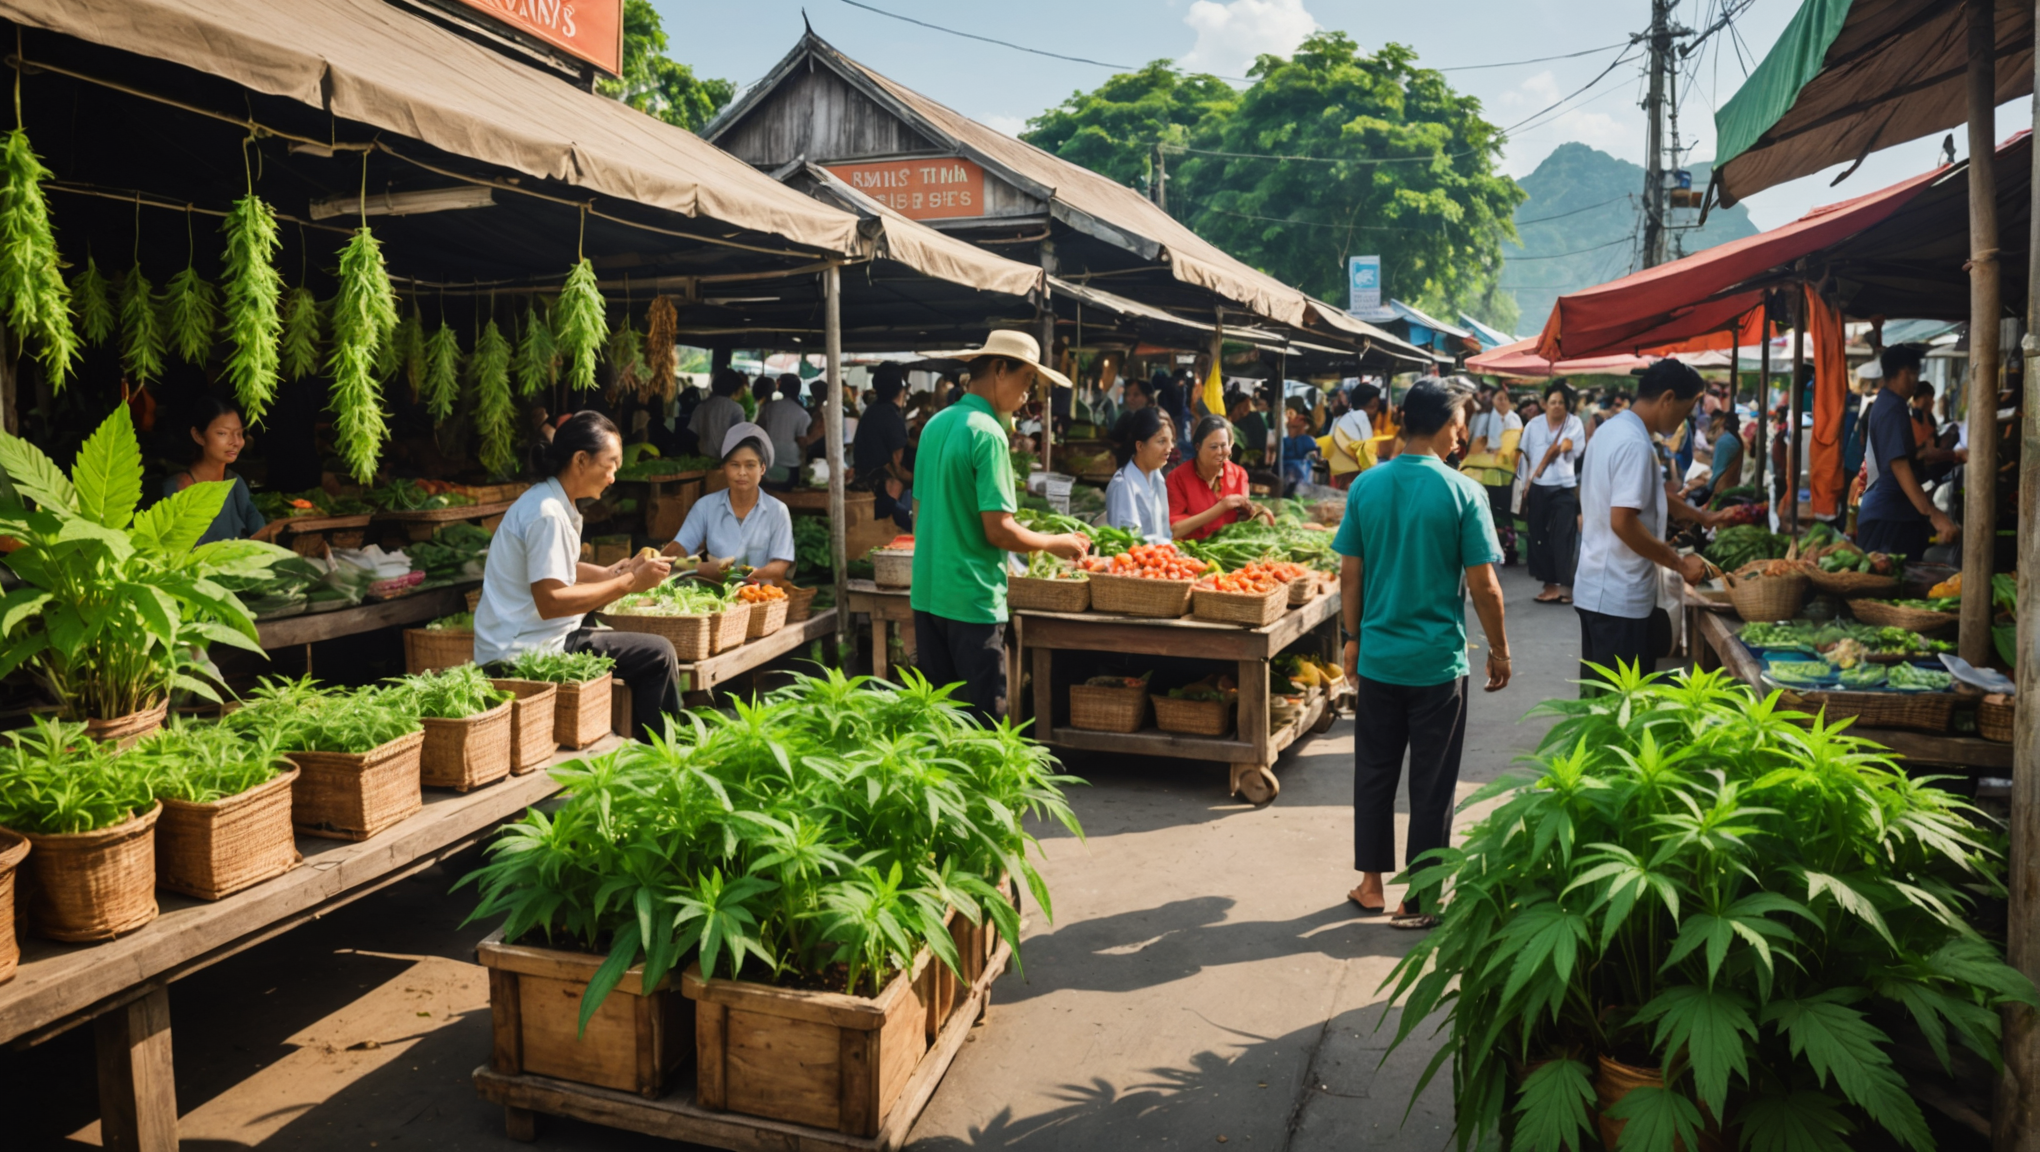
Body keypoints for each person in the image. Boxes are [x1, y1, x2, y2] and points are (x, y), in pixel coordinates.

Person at [1335, 377, 1509, 929]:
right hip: (1436, 665)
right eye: (1460, 425)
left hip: (1380, 658)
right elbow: (1485, 587)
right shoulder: (1464, 492)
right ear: (1442, 426)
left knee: (1374, 772)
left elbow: (1350, 574)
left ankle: (1370, 885)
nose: (1463, 436)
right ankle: (1420, 898)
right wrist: (1500, 651)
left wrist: (1352, 639)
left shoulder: (1366, 486)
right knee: (1433, 781)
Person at [910, 331, 1091, 722]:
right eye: (1026, 380)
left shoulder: (934, 425)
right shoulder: (988, 433)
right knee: (983, 726)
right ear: (999, 370)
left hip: (927, 592)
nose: (1028, 395)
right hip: (971, 600)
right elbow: (999, 530)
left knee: (939, 722)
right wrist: (1052, 542)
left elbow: (919, 511)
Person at [474, 412, 680, 742]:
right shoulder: (547, 514)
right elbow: (551, 601)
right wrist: (629, 583)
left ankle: (629, 740)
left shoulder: (551, 502)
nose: (613, 477)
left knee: (621, 638)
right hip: (525, 651)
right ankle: (660, 757)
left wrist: (613, 572)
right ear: (581, 460)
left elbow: (554, 567)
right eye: (610, 464)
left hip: (530, 638)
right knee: (659, 654)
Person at [1573, 360, 1722, 690]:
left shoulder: (1613, 430)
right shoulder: (1635, 444)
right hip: (1617, 595)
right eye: (1685, 411)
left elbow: (1640, 496)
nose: (1684, 421)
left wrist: (1702, 517)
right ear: (1668, 398)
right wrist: (1680, 564)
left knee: (1603, 702)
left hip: (1599, 588)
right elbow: (1623, 522)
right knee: (1619, 708)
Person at [663, 423, 797, 585]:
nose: (742, 472)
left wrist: (745, 575)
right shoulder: (705, 506)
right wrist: (659, 559)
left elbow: (780, 566)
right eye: (734, 465)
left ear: (762, 469)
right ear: (723, 468)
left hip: (759, 597)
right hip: (713, 595)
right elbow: (681, 547)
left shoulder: (778, 510)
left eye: (750, 465)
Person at [1858, 344, 1959, 557]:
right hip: (1887, 517)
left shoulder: (1891, 404)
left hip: (1892, 513)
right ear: (1900, 373)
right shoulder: (1892, 408)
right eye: (1912, 373)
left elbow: (1908, 458)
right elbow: (1898, 464)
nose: (1915, 380)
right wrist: (1931, 513)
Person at [163, 395, 275, 546]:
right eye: (222, 433)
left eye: (239, 433)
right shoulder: (176, 487)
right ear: (198, 436)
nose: (235, 442)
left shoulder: (235, 482)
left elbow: (256, 524)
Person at [1520, 382, 1585, 604]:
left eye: (1561, 403)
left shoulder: (1574, 423)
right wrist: (1523, 484)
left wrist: (1562, 446)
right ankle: (1549, 585)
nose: (1556, 406)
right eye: (1552, 402)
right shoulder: (1533, 426)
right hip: (1538, 486)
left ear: (1567, 406)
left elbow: (1571, 447)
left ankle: (1566, 586)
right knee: (1539, 536)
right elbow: (1523, 457)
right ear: (1544, 404)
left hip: (1564, 487)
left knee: (1563, 537)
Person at [1168, 415, 1277, 540]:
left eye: (1224, 445)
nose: (1220, 452)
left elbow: (1242, 519)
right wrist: (1222, 507)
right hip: (1190, 552)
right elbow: (1175, 530)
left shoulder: (1239, 474)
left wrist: (1257, 512)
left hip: (1227, 549)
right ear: (1198, 447)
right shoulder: (1177, 478)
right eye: (1214, 447)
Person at [1464, 384, 1522, 565]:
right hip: (1489, 471)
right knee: (1493, 509)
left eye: (1505, 398)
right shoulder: (1486, 418)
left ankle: (1510, 548)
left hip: (1508, 470)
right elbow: (1478, 441)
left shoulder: (1515, 419)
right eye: (1499, 398)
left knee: (1507, 511)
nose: (1502, 402)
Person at [1103, 406, 1175, 545]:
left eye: (1171, 440)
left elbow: (1164, 532)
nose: (1170, 447)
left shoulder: (1157, 477)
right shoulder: (1123, 484)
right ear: (1140, 446)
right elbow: (1127, 541)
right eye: (1162, 441)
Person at [853, 363, 913, 530]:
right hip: (884, 496)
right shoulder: (891, 417)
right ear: (902, 390)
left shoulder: (872, 411)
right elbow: (898, 465)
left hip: (866, 489)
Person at [751, 374, 815, 487]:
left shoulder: (769, 408)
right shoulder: (802, 414)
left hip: (768, 465)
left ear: (780, 387)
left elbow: (757, 431)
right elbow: (802, 442)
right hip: (790, 469)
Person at [1326, 383, 1382, 489]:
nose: (1375, 410)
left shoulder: (1345, 417)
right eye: (1372, 406)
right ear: (1361, 406)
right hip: (1350, 476)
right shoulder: (1361, 416)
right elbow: (1367, 454)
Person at [688, 369, 748, 465]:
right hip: (724, 464)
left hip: (702, 462)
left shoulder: (702, 406)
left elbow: (692, 435)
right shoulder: (736, 409)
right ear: (735, 388)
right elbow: (739, 440)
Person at [1279, 407, 1320, 495]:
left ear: (1304, 423)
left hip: (1300, 487)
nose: (1289, 418)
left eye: (1298, 418)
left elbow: (1312, 464)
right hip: (1281, 484)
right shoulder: (1283, 441)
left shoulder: (1308, 441)